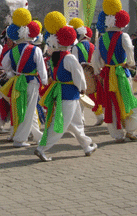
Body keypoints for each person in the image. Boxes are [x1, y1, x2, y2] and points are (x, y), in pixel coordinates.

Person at [34, 12, 97, 162]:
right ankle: (41, 148)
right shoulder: (69, 57)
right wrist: (83, 88)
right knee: (60, 125)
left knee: (75, 123)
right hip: (69, 94)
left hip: (62, 93)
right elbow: (79, 77)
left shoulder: (55, 57)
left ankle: (87, 146)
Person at [92, 0, 137, 142]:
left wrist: (98, 72)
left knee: (111, 103)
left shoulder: (101, 39)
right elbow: (130, 52)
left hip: (107, 74)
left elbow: (95, 59)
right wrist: (130, 64)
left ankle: (117, 134)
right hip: (122, 73)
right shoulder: (123, 36)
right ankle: (131, 130)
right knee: (128, 99)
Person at [1, 8, 47, 147]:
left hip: (17, 82)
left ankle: (37, 136)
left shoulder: (11, 51)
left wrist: (13, 74)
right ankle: (20, 139)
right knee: (28, 110)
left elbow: (5, 66)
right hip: (32, 82)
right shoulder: (35, 49)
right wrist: (44, 82)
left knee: (27, 109)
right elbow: (41, 68)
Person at [69, 18, 104, 126]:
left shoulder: (76, 47)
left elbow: (74, 63)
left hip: (81, 73)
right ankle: (99, 115)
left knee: (80, 97)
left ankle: (81, 119)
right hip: (92, 73)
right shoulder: (93, 46)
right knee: (93, 95)